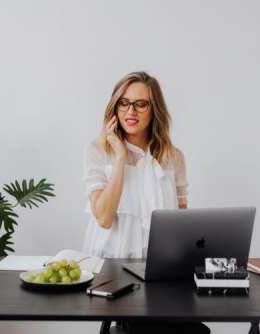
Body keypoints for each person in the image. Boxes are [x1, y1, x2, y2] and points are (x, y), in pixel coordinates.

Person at [82, 71, 210, 333]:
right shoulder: (98, 151)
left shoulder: (173, 157)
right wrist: (119, 158)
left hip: (160, 270)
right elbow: (104, 218)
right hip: (112, 269)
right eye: (124, 103)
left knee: (195, 329)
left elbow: (182, 221)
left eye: (141, 104)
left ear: (154, 110)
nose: (132, 110)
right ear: (115, 107)